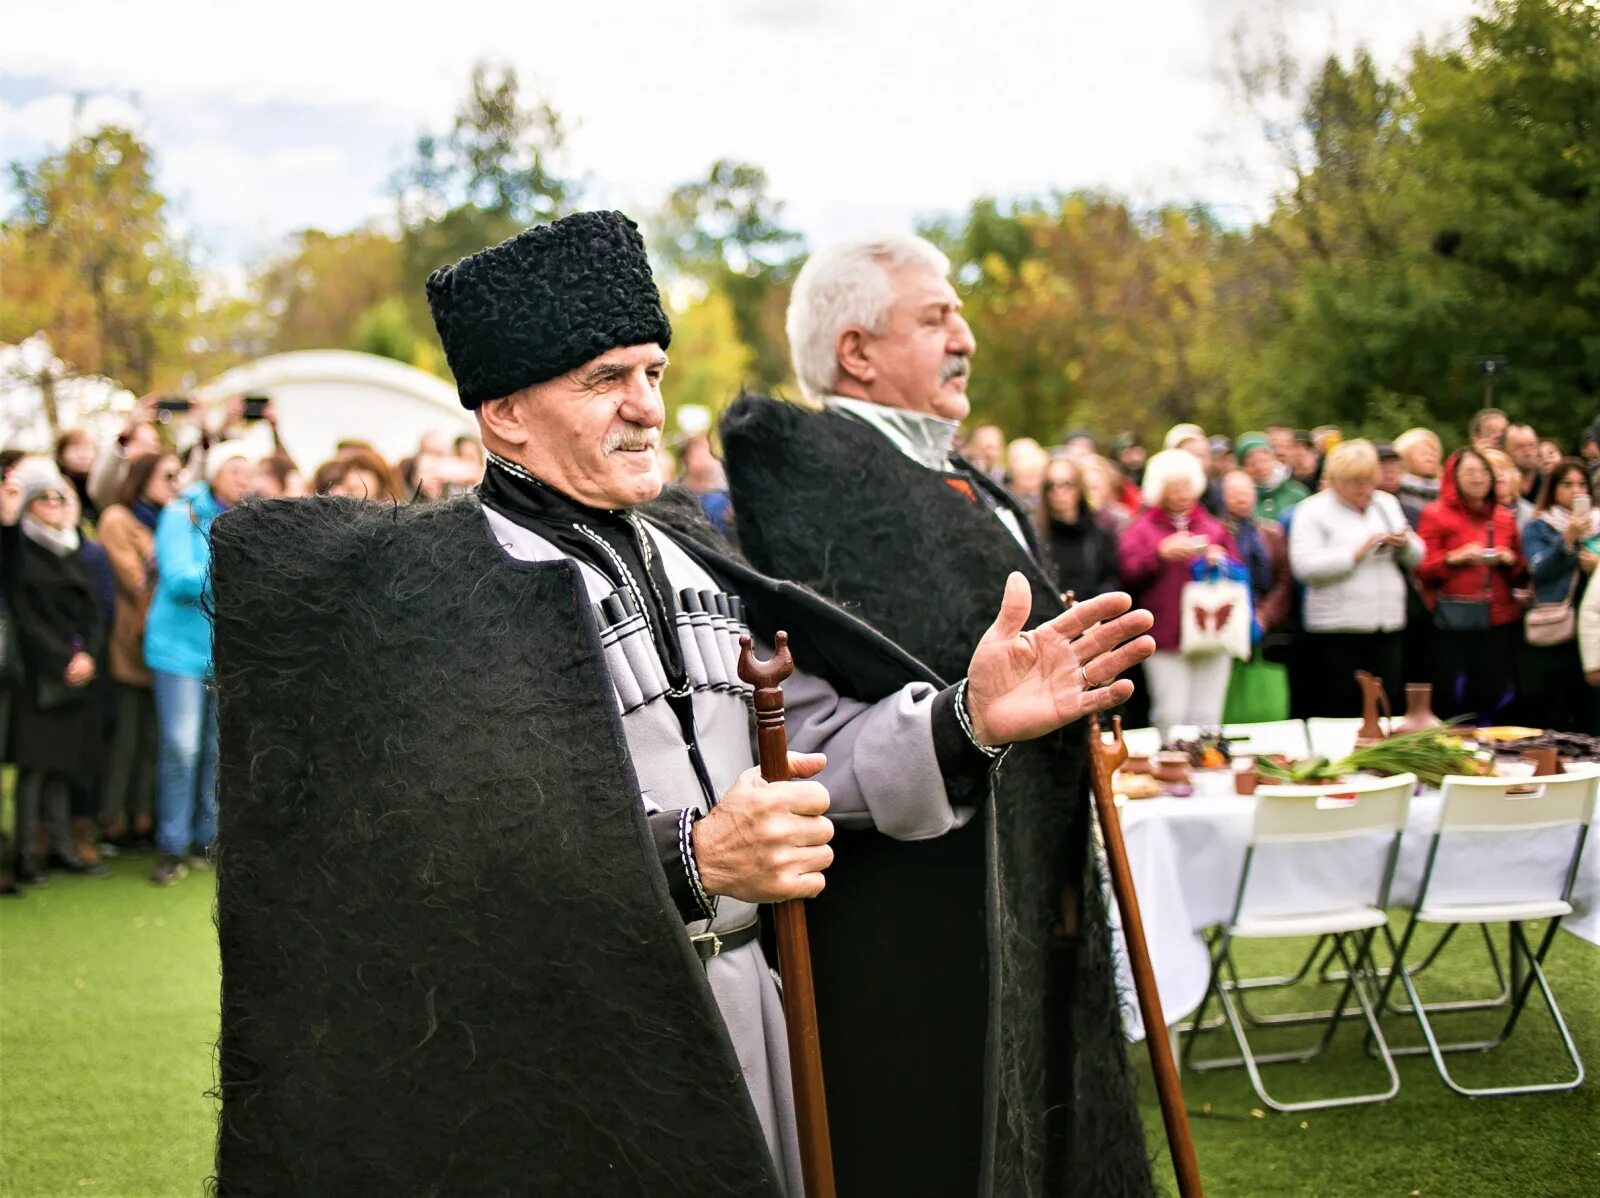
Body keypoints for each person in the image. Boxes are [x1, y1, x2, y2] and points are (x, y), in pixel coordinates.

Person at [211, 213, 1156, 1197]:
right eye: (605, 380)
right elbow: (439, 858)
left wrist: (966, 718)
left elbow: (809, 752)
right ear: (504, 414)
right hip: (574, 1047)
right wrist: (690, 862)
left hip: (750, 1007)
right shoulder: (441, 592)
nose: (647, 407)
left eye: (653, 373)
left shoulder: (691, 551)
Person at [725, 231, 1158, 1195]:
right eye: (936, 317)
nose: (966, 335)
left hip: (1015, 875)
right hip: (919, 910)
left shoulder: (944, 470)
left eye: (959, 313)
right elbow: (830, 707)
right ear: (857, 353)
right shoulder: (823, 486)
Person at [145, 442, 254, 885]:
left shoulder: (249, 518)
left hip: (223, 651)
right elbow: (180, 580)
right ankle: (170, 847)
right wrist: (239, 574)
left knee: (216, 750)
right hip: (176, 651)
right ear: (213, 472)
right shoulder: (182, 512)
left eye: (250, 472)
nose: (244, 480)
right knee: (182, 746)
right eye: (235, 470)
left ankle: (207, 841)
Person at [1, 461, 109, 882]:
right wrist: (63, 658)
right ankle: (26, 854)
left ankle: (62, 847)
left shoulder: (73, 549)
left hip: (78, 672)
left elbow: (94, 612)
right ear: (27, 506)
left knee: (64, 764)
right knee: (35, 767)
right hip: (40, 675)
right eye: (44, 497)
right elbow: (25, 618)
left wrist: (88, 657)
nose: (54, 504)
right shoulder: (22, 553)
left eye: (59, 497)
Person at [1287, 441, 1422, 717]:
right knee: (1342, 709)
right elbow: (1305, 566)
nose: (1363, 488)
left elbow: (1419, 555)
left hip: (1387, 625)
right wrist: (1355, 554)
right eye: (1354, 482)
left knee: (1385, 707)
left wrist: (1403, 545)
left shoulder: (1386, 504)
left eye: (1368, 480)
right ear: (1335, 480)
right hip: (1337, 630)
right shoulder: (1312, 511)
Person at [1118, 448, 1238, 732]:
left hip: (1212, 629)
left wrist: (1218, 558)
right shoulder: (1142, 529)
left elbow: (1239, 571)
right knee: (1170, 712)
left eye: (1187, 486)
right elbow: (1127, 573)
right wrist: (1159, 554)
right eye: (1174, 487)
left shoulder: (1213, 526)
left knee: (1208, 713)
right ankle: (1171, 766)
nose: (1182, 494)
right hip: (1164, 633)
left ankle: (1207, 765)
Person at [95, 452, 180, 847]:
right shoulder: (118, 518)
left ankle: (144, 819)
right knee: (126, 737)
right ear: (143, 477)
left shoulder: (172, 519)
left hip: (165, 643)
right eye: (167, 475)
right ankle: (111, 822)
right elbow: (135, 580)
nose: (175, 483)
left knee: (153, 738)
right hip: (130, 641)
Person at [1417, 449, 1526, 722]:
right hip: (1454, 619)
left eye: (1483, 472)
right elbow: (1423, 567)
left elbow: (1523, 575)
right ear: (1454, 477)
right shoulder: (1436, 514)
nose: (1478, 479)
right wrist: (1455, 558)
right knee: (1450, 693)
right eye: (1469, 472)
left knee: (1493, 690)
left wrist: (1510, 560)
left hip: (1498, 618)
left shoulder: (1504, 517)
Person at [1519, 459, 1597, 732]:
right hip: (1558, 625)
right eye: (1567, 484)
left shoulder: (1597, 524)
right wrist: (1567, 540)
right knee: (1555, 709)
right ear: (1553, 489)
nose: (1576, 491)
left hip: (1592, 626)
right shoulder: (1538, 526)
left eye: (1581, 484)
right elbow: (1538, 569)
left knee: (1591, 709)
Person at [1038, 454, 1119, 601]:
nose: (1059, 491)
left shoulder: (1100, 534)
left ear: (1080, 487)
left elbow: (1110, 582)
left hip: (1093, 617)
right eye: (1051, 485)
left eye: (1067, 484)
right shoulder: (1036, 536)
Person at [1235, 430, 1307, 523]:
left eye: (1263, 460)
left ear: (1273, 458)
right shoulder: (1239, 499)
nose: (1260, 467)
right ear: (1244, 468)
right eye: (1252, 463)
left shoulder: (1296, 492)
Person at [1394, 427, 1443, 529]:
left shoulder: (1445, 491)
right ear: (1406, 456)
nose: (1430, 457)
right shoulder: (1395, 490)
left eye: (1433, 452)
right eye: (1423, 453)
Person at [1004, 436, 1048, 512]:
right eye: (1029, 477)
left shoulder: (1047, 498)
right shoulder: (1003, 497)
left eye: (1039, 475)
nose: (1036, 482)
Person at [1505, 423, 1542, 503]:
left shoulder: (1548, 482)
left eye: (1532, 445)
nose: (1528, 452)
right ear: (1505, 451)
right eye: (1519, 447)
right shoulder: (1500, 487)